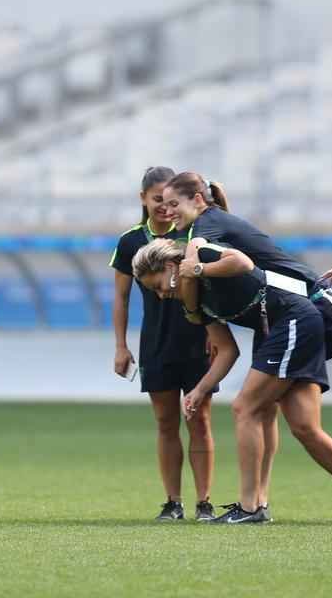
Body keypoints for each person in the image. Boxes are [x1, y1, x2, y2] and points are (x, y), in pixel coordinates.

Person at [160, 172, 332, 514]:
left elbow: (232, 262)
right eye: (162, 204)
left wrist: (196, 270)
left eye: (174, 203)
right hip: (284, 315)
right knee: (298, 424)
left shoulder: (204, 230)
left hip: (310, 300)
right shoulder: (203, 236)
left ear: (198, 200)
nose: (167, 211)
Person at [132, 237, 332, 524]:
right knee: (305, 427)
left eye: (158, 285)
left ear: (171, 265)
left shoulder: (203, 256)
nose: (161, 295)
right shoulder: (193, 304)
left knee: (245, 408)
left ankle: (251, 507)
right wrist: (199, 391)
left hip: (294, 318)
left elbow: (242, 262)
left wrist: (197, 268)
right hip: (276, 329)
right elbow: (227, 351)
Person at [110, 167, 218, 522]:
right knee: (165, 422)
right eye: (155, 199)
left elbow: (215, 288)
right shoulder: (130, 242)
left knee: (199, 419)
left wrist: (217, 334)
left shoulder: (191, 234)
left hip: (198, 339)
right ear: (142, 198)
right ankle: (173, 502)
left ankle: (204, 502)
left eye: (167, 200)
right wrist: (121, 346)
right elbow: (122, 298)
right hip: (156, 341)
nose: (162, 207)